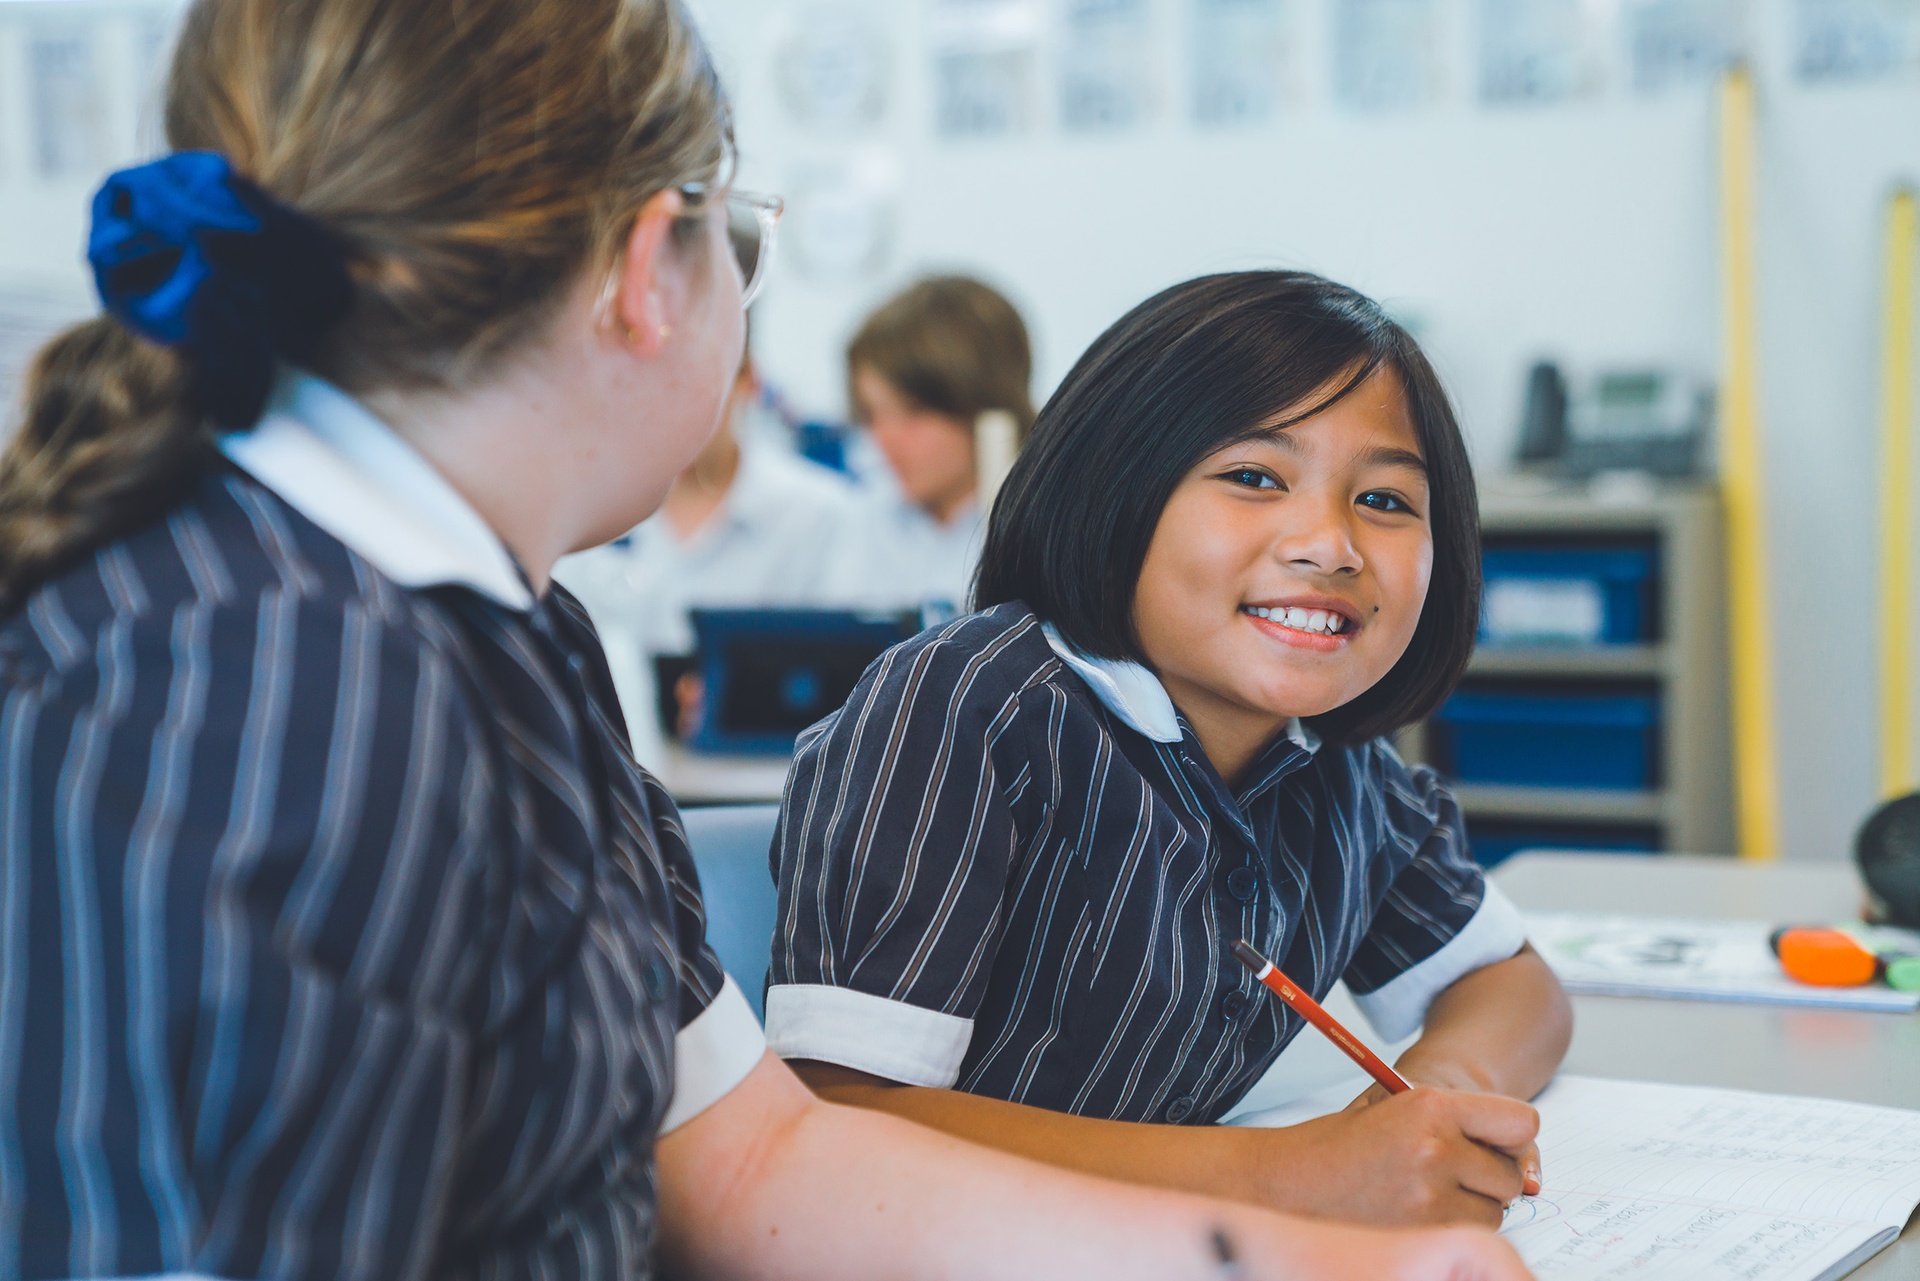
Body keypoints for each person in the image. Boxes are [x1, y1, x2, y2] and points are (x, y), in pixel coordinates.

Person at [0, 1, 1533, 1278]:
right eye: (744, 235)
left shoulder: (513, 635)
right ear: (653, 265)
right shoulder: (255, 684)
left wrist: (1327, 1256)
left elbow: (766, 1164)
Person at [767, 271, 1575, 1229]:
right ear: (1116, 489)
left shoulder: (1337, 766)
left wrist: (1427, 1105)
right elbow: (838, 1119)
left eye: (1388, 500)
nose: (1330, 543)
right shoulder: (966, 708)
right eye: (1254, 477)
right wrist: (1288, 1174)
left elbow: (1516, 986)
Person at [555, 326, 855, 760]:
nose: (674, 415)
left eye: (693, 388)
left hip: (768, 787)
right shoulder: (583, 508)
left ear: (747, 381)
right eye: (650, 389)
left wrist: (746, 699)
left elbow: (845, 684)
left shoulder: (820, 514)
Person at [826, 275, 1034, 612]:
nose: (885, 438)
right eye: (872, 413)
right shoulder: (863, 523)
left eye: (914, 411)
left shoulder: (1044, 529)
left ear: (985, 402)